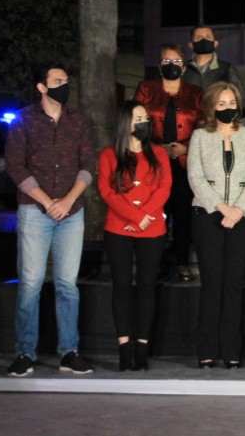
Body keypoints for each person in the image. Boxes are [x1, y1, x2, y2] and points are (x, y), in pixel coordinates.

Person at [4, 63, 97, 376]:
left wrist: (68, 201)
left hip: (72, 212)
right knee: (30, 283)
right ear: (42, 87)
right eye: (57, 81)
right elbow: (16, 167)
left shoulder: (79, 121)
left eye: (66, 81)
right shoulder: (23, 120)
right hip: (34, 210)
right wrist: (47, 202)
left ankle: (69, 351)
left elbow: (88, 165)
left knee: (67, 284)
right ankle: (24, 353)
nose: (64, 85)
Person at [188, 81, 245, 369]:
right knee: (211, 284)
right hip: (208, 215)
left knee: (233, 284)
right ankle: (207, 349)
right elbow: (195, 176)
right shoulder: (199, 137)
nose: (227, 108)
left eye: (231, 102)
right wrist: (221, 207)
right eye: (221, 103)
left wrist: (238, 210)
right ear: (210, 107)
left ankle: (232, 350)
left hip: (242, 218)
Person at [98, 100, 172, 371]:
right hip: (118, 228)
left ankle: (142, 347)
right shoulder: (109, 155)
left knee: (146, 286)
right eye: (138, 118)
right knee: (121, 287)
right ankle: (124, 347)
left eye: (145, 118)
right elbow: (107, 192)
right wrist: (134, 216)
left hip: (152, 228)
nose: (144, 122)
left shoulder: (159, 154)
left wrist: (143, 217)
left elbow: (164, 188)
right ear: (124, 123)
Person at [134, 43, 202, 282]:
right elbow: (136, 121)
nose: (170, 65)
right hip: (154, 161)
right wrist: (155, 148)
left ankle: (182, 262)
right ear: (159, 65)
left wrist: (186, 147)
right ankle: (154, 262)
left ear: (183, 68)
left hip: (184, 162)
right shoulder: (146, 88)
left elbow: (203, 127)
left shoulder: (195, 93)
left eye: (175, 62)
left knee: (183, 214)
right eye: (165, 61)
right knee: (156, 211)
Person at [182, 25, 245, 98]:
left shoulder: (227, 69)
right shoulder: (183, 69)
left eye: (208, 37)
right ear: (191, 45)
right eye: (199, 37)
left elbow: (240, 98)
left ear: (215, 43)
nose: (203, 40)